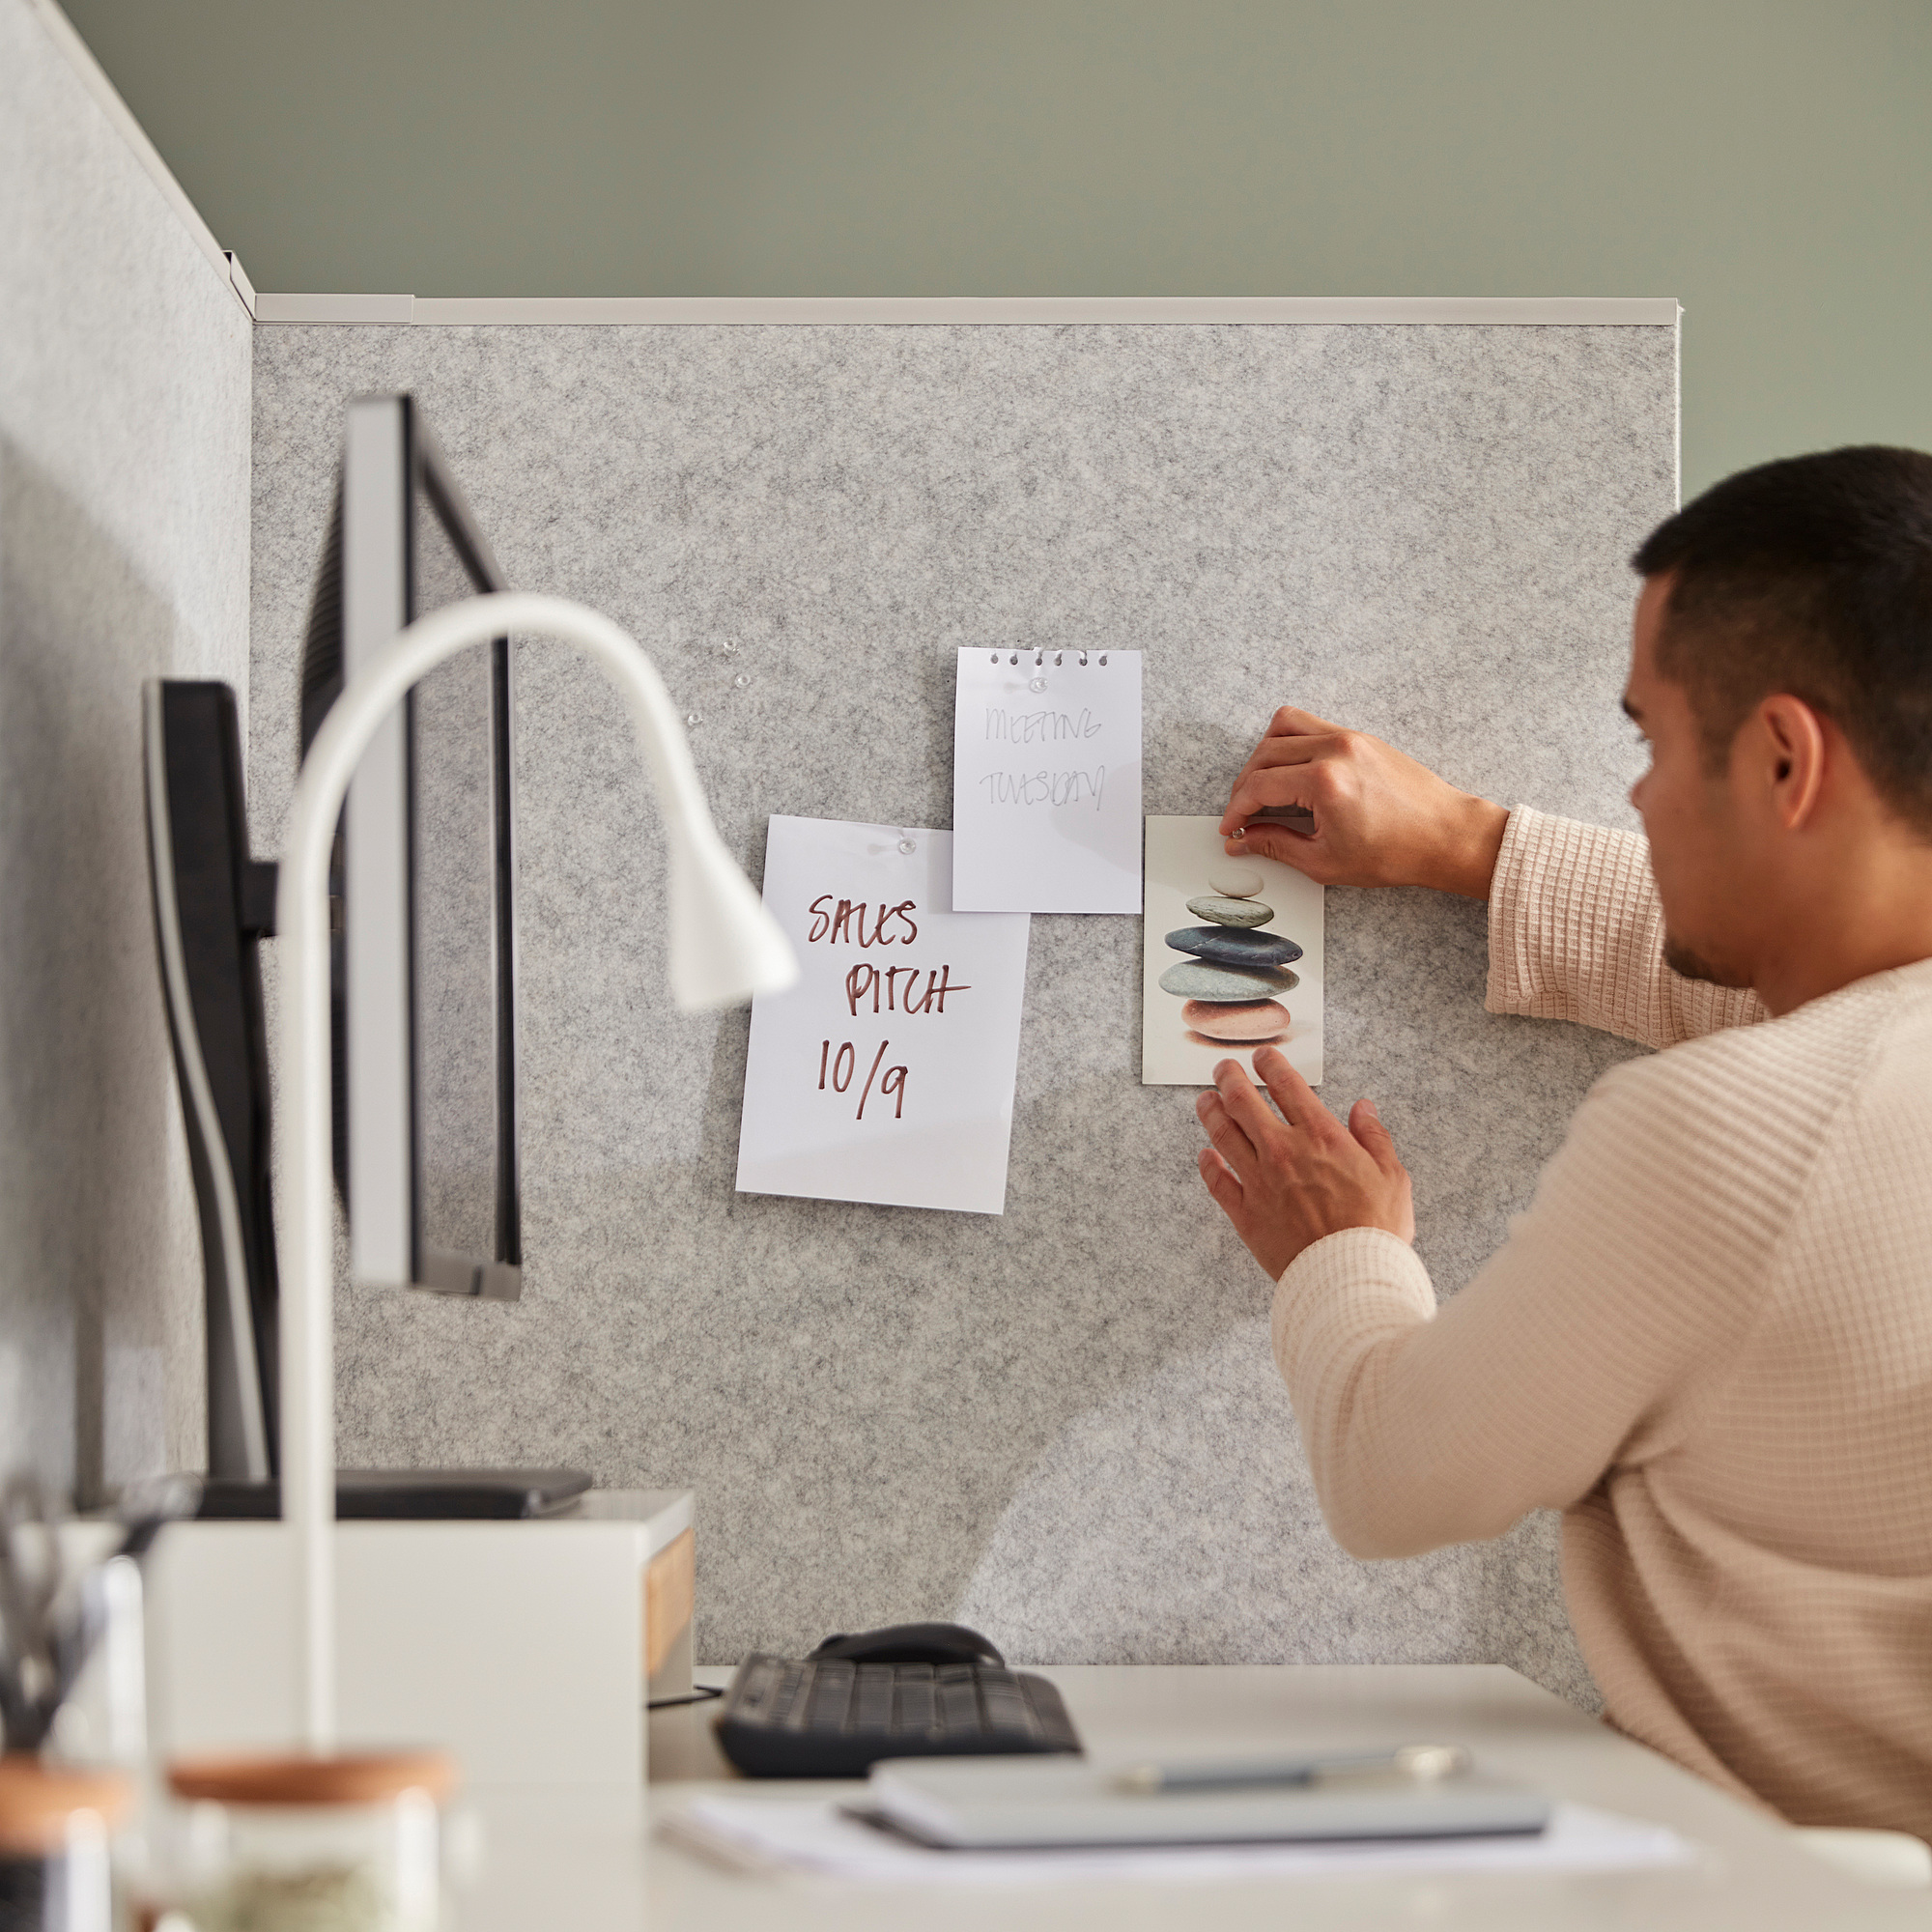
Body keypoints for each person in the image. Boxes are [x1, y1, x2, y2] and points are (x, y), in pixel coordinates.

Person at [1196, 445, 1932, 1838]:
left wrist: (1342, 1255)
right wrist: (1477, 845)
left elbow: (1393, 1471)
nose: (1639, 799)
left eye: (1650, 744)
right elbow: (1836, 1026)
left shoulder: (1717, 1138)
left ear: (1784, 758)